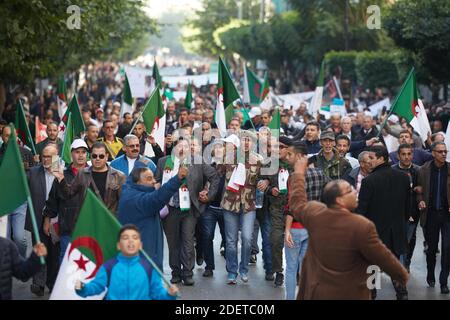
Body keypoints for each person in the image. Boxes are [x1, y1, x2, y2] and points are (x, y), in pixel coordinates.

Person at [289, 156, 409, 300]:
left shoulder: (315, 214)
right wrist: (401, 275)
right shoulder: (361, 226)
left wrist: (299, 174)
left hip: (317, 292)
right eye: (349, 190)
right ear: (339, 200)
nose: (354, 191)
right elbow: (383, 257)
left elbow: (297, 203)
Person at [155, 138, 220, 286]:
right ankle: (176, 272)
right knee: (173, 243)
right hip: (170, 208)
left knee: (188, 241)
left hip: (189, 208)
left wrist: (208, 194)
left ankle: (188, 272)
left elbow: (214, 177)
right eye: (180, 146)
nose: (183, 149)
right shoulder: (163, 162)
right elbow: (156, 181)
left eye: (186, 146)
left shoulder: (197, 161)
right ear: (174, 148)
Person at [356, 145, 411, 300]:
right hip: (397, 231)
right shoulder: (403, 177)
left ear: (382, 159)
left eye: (372, 158)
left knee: (372, 264)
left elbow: (361, 210)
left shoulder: (369, 181)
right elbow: (408, 207)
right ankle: (402, 293)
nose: (369, 161)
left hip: (375, 233)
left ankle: (372, 294)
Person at [74, 224, 179, 300]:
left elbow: (158, 293)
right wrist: (83, 288)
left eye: (135, 237)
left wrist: (169, 295)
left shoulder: (149, 268)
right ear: (119, 245)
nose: (130, 241)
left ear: (140, 245)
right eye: (125, 238)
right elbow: (96, 286)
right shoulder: (109, 267)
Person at [280, 138, 328, 299]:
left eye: (290, 154)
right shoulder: (320, 173)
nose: (287, 157)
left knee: (291, 268)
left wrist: (286, 230)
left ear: (300, 156)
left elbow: (291, 205)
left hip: (296, 227)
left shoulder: (294, 177)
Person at [118, 165, 188, 271]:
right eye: (149, 179)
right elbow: (157, 198)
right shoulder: (136, 199)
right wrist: (178, 178)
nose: (154, 181)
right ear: (137, 182)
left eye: (153, 178)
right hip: (143, 260)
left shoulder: (129, 191)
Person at [220, 131, 263, 284]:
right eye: (244, 139)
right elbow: (215, 175)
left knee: (247, 238)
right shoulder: (227, 157)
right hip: (229, 203)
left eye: (249, 140)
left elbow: (263, 180)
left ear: (253, 143)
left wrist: (265, 184)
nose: (246, 143)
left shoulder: (258, 161)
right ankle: (232, 271)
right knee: (231, 241)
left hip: (248, 205)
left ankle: (243, 269)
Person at [42, 139, 89, 264]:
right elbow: (52, 199)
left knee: (87, 264)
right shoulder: (62, 173)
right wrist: (47, 220)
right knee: (66, 261)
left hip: (88, 227)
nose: (80, 155)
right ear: (71, 154)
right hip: (67, 227)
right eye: (77, 152)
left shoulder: (93, 173)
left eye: (83, 152)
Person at [52, 142, 126, 215]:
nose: (97, 159)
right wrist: (61, 178)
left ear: (106, 156)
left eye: (101, 156)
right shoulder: (82, 174)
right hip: (88, 220)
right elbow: (68, 194)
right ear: (90, 156)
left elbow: (124, 203)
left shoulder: (118, 176)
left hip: (108, 222)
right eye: (94, 156)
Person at [26, 144, 61, 296]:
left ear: (57, 156)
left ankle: (52, 283)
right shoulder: (33, 172)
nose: (45, 159)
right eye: (44, 156)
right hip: (37, 219)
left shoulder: (62, 173)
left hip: (57, 221)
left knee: (54, 255)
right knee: (40, 252)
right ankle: (38, 284)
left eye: (49, 156)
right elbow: (20, 183)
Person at [417, 141, 450, 294]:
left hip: (447, 215)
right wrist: (420, 200)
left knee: (447, 248)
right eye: (440, 151)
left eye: (445, 151)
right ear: (433, 153)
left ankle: (444, 281)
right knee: (431, 249)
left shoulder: (449, 169)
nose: (444, 154)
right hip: (430, 215)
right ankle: (430, 273)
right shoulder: (424, 170)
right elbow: (419, 191)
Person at [0, 126, 35, 257]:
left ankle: (21, 260)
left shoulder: (26, 153)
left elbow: (34, 174)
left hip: (20, 201)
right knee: (5, 238)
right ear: (2, 137)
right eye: (7, 135)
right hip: (3, 202)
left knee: (20, 237)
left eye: (12, 136)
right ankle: (8, 264)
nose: (10, 139)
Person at [391, 144, 420, 273]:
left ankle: (404, 264)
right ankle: (399, 265)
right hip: (395, 212)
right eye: (403, 154)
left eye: (409, 154)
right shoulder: (392, 171)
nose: (406, 157)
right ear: (398, 156)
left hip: (413, 212)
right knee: (396, 240)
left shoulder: (418, 171)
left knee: (408, 240)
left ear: (412, 155)